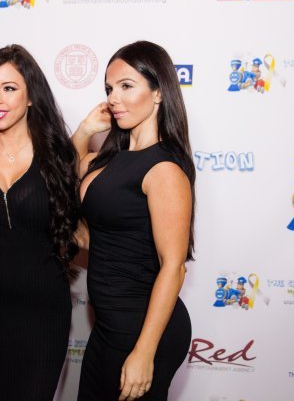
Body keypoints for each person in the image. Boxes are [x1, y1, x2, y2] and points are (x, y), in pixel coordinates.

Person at [0, 44, 78, 400]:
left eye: (9, 88)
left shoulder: (57, 153)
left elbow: (79, 225)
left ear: (31, 96)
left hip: (43, 309)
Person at [73, 40, 194, 401]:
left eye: (126, 86)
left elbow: (173, 266)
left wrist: (144, 352)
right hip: (108, 327)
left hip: (143, 329)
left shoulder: (164, 168)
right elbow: (70, 177)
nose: (114, 98)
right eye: (109, 89)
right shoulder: (109, 159)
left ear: (158, 92)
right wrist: (84, 131)